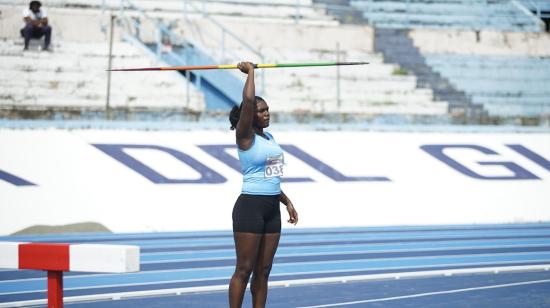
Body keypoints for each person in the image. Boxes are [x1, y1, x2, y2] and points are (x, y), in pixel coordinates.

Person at [228, 62, 298, 308]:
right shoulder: (244, 135)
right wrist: (251, 73)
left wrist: (287, 202)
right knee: (244, 269)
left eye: (268, 109)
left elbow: (273, 177)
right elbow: (247, 102)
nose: (267, 113)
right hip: (250, 207)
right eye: (261, 111)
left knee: (264, 271)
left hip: (271, 208)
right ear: (250, 116)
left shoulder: (270, 138)